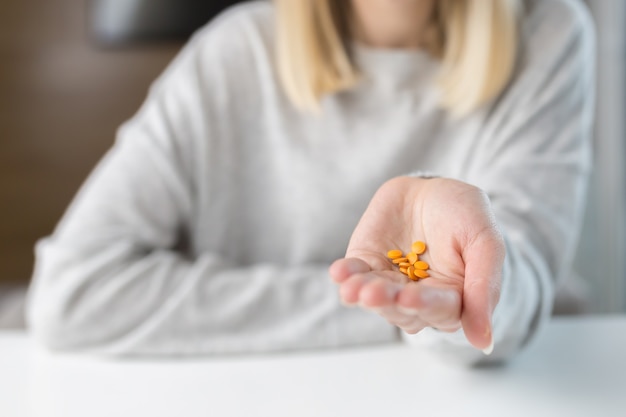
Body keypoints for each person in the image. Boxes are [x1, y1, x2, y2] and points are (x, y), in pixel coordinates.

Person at [26, 0, 594, 364]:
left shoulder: (550, 32)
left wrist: (475, 283)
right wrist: (376, 311)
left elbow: (512, 301)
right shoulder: (232, 53)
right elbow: (72, 293)